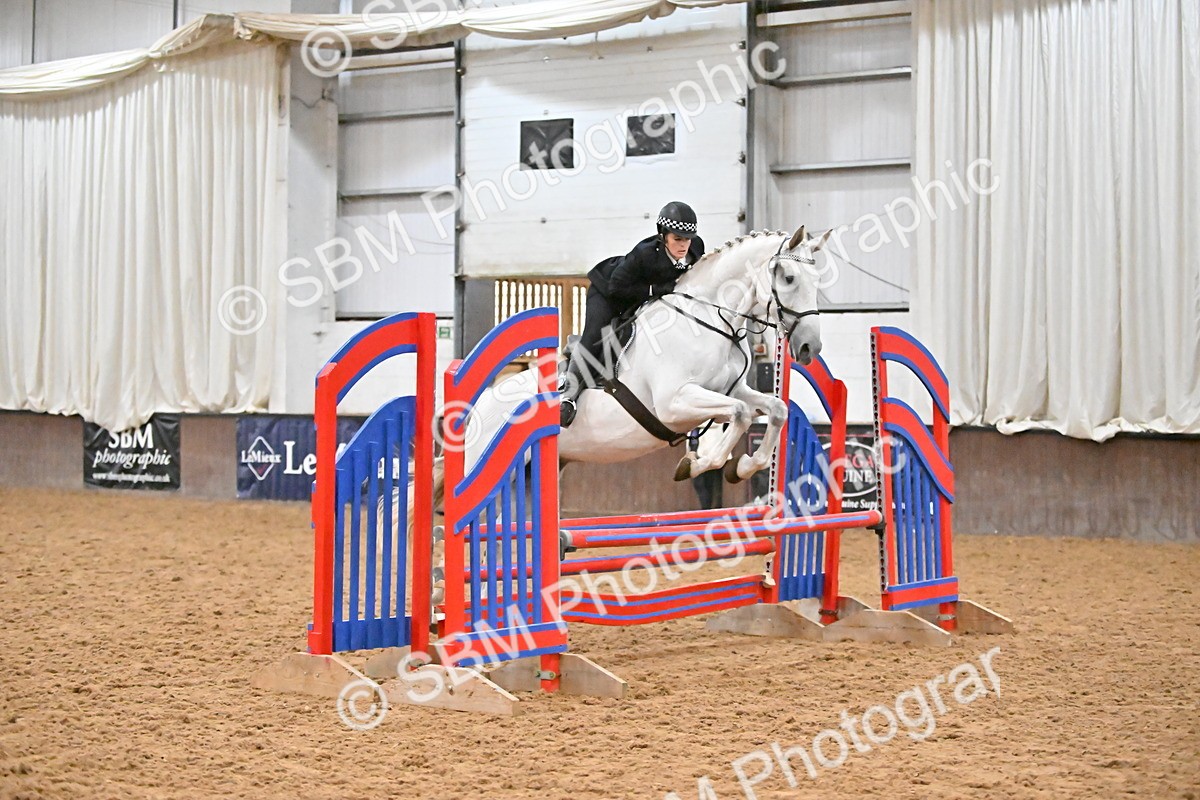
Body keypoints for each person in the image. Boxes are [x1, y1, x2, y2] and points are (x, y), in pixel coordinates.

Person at [560, 201, 706, 427]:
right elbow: (616, 288)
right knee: (596, 336)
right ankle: (568, 396)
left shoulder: (696, 249)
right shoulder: (644, 253)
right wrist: (653, 290)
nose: (684, 245)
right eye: (677, 239)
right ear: (663, 235)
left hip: (641, 297)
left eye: (687, 239)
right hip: (608, 292)